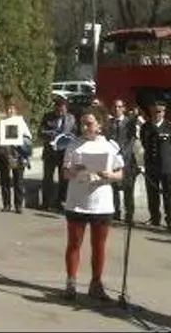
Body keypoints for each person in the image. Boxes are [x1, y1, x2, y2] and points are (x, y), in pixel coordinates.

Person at [61, 109, 125, 301]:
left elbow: (120, 173)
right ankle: (71, 283)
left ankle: (96, 284)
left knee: (99, 246)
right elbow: (65, 173)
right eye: (82, 123)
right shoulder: (73, 145)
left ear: (100, 124)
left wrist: (110, 175)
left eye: (89, 123)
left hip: (101, 204)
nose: (85, 127)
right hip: (77, 202)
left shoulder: (110, 145)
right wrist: (73, 170)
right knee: (74, 243)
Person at [139, 101, 171, 231]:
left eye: (159, 111)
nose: (156, 114)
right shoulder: (145, 127)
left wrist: (170, 159)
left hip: (166, 166)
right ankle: (154, 218)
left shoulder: (170, 127)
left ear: (164, 112)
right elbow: (144, 143)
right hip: (151, 166)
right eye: (153, 111)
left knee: (168, 194)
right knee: (152, 194)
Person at [0, 101, 32, 213]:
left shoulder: (21, 122)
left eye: (12, 109)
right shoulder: (1, 122)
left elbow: (28, 137)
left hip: (17, 154)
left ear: (16, 110)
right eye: (8, 109)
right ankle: (6, 204)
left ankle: (18, 205)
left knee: (18, 181)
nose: (9, 111)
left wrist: (19, 141)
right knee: (4, 180)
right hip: (4, 154)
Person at [39, 96, 77, 211]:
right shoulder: (48, 117)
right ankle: (46, 202)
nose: (60, 112)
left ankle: (60, 201)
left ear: (66, 109)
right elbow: (40, 132)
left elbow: (75, 133)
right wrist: (53, 134)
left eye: (63, 109)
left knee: (64, 179)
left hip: (64, 153)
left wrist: (69, 138)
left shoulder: (71, 118)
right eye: (58, 109)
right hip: (50, 152)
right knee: (47, 178)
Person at [105, 98, 138, 223]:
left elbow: (131, 141)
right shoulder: (109, 123)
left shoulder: (130, 123)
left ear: (124, 108)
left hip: (127, 161)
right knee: (113, 188)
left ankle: (129, 215)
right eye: (115, 107)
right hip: (112, 161)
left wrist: (122, 155)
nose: (117, 109)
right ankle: (116, 213)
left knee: (129, 189)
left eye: (119, 107)